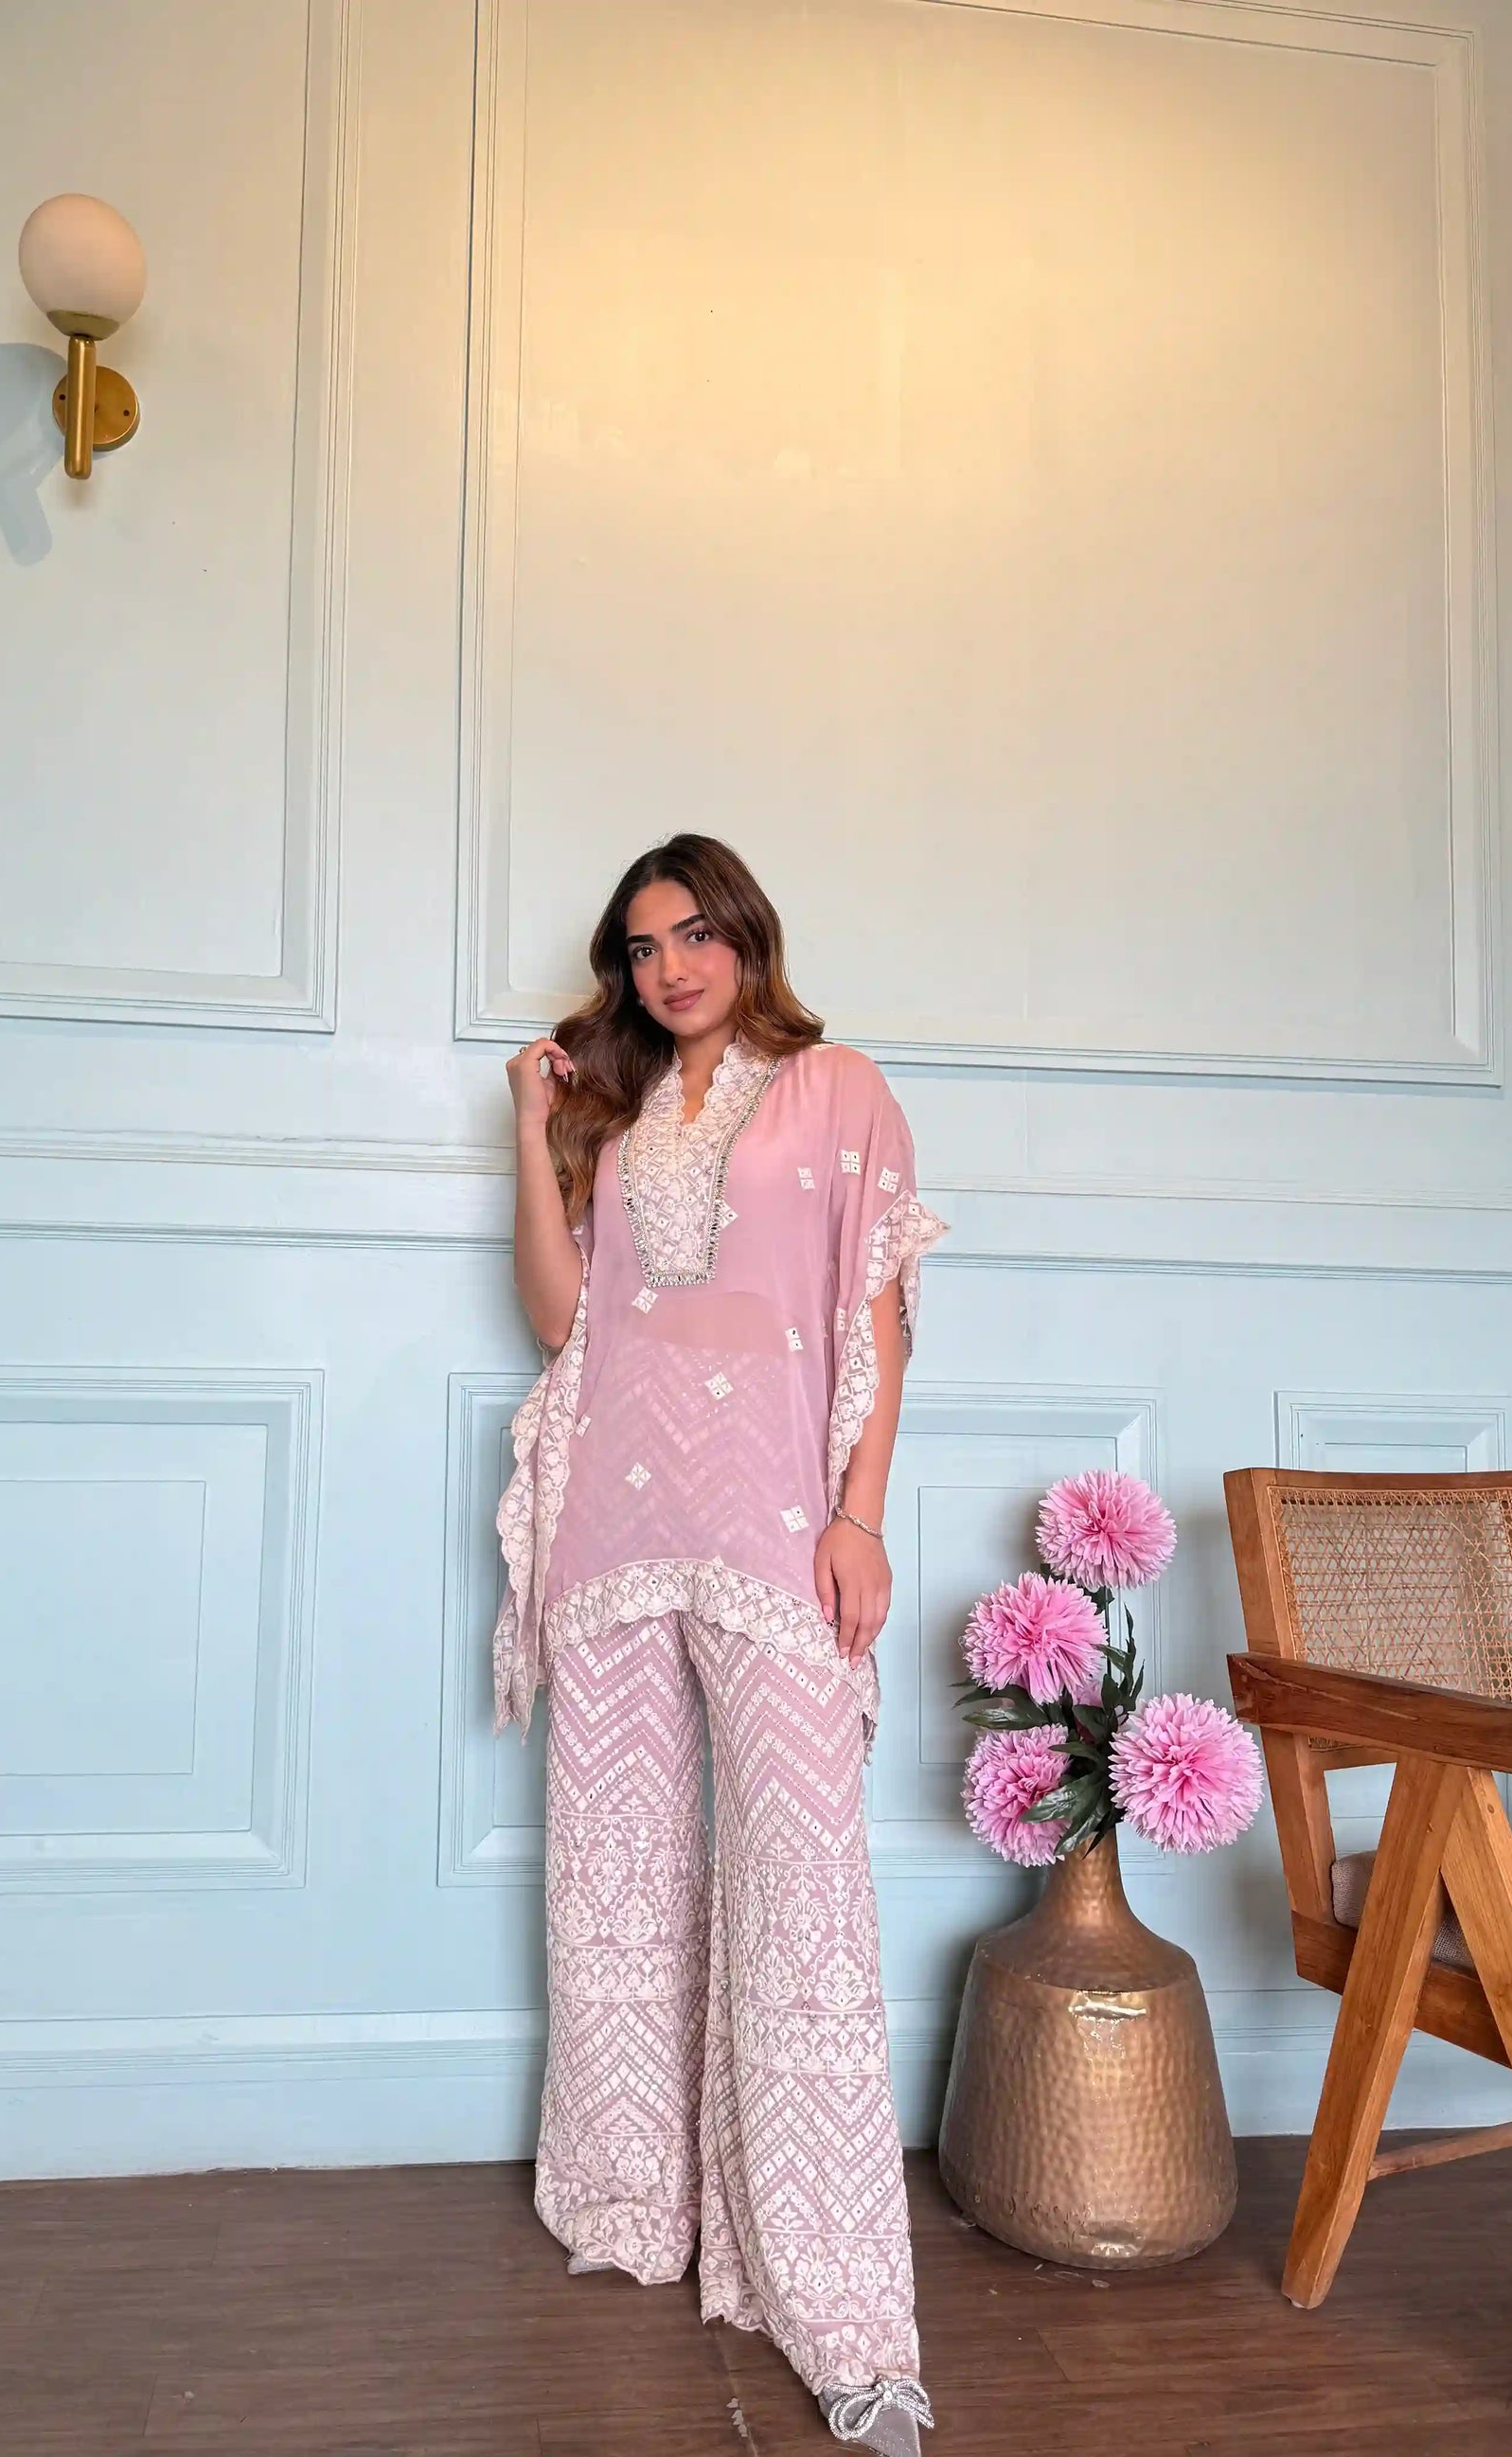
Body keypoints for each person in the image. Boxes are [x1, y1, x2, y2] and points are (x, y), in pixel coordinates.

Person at [494, 834, 947, 2453]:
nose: (669, 967)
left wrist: (858, 1517)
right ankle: (631, 2195)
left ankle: (839, 2304)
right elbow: (564, 1318)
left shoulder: (836, 1091)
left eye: (694, 934)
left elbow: (876, 1323)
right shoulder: (617, 1118)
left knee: (799, 1897)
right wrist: (532, 1130)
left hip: (771, 1532)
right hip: (614, 1533)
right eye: (640, 948)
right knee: (614, 1876)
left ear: (746, 936)